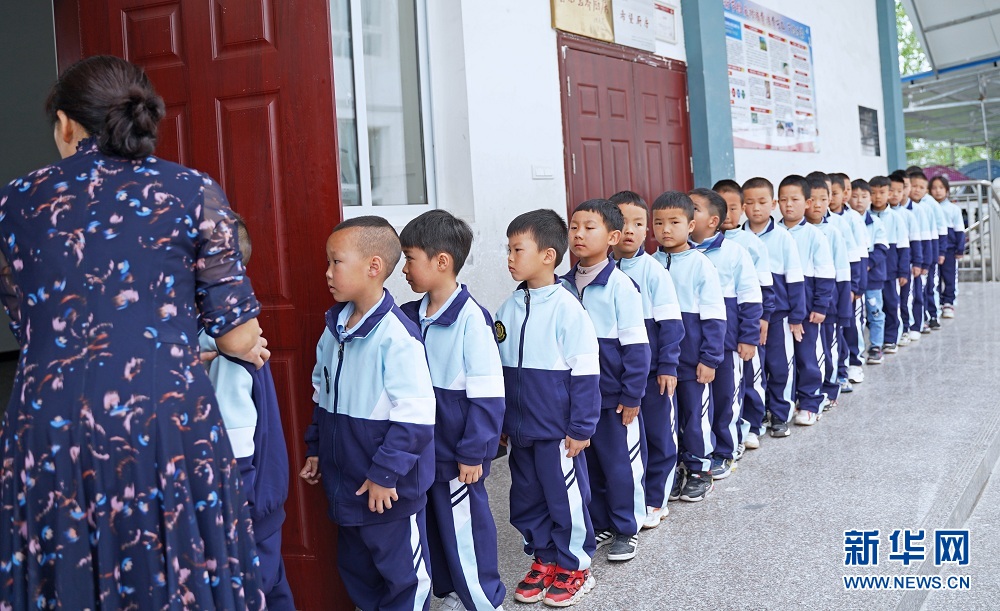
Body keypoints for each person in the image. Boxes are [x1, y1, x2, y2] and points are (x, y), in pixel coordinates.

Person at [0, 55, 267, 608]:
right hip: (163, 413)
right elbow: (237, 337)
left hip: (53, 417)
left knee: (64, 556)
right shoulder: (190, 191)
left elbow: (26, 322)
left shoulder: (16, 201)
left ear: (68, 124)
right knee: (175, 564)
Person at [300, 216, 436, 611]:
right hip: (347, 487)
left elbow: (416, 416)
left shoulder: (397, 336)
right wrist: (315, 448)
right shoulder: (333, 329)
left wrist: (384, 473)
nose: (327, 273)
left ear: (374, 267)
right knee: (357, 572)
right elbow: (321, 396)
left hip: (388, 492)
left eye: (336, 262)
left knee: (402, 578)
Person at [398, 210, 507, 611]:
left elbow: (488, 395)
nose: (404, 269)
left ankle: (483, 599)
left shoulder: (471, 319)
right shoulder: (409, 315)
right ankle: (449, 591)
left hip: (459, 455)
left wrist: (474, 452)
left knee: (466, 529)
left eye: (410, 258)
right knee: (434, 527)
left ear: (441, 262)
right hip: (425, 453)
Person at [494, 209, 600, 606]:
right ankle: (544, 558)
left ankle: (575, 565)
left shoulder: (567, 308)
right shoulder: (508, 309)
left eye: (517, 249)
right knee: (526, 498)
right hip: (521, 432)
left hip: (558, 432)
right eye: (508, 249)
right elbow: (500, 374)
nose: (509, 257)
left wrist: (581, 427)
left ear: (548, 256)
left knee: (565, 498)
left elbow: (586, 375)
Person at [199, 214, 294, 610]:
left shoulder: (230, 349)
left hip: (242, 506)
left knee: (252, 591)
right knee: (272, 589)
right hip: (259, 505)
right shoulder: (233, 338)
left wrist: (231, 510)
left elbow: (237, 442)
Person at [561, 199, 650, 562]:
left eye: (589, 227)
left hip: (614, 396)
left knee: (620, 463)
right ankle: (601, 521)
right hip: (580, 399)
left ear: (613, 236)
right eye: (574, 227)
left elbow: (637, 347)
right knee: (591, 464)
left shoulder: (620, 285)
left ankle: (627, 527)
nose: (579, 234)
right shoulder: (562, 285)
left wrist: (632, 394)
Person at [608, 191, 684, 530]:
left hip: (652, 374)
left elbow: (671, 325)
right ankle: (626, 501)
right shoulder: (600, 272)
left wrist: (668, 365)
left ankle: (656, 497)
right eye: (622, 222)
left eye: (638, 224)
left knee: (658, 436)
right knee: (624, 445)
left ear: (646, 231)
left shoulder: (654, 272)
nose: (630, 230)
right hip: (616, 377)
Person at [651, 192, 726, 502]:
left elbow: (714, 316)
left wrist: (710, 358)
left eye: (674, 222)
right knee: (666, 422)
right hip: (661, 364)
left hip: (693, 362)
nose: (666, 229)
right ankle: (674, 470)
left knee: (694, 418)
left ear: (691, 224)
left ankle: (699, 469)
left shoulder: (700, 264)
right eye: (658, 223)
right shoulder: (649, 264)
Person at [689, 188, 762, 477]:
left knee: (726, 399)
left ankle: (725, 450)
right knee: (697, 404)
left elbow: (750, 297)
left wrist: (748, 336)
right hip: (693, 345)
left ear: (713, 220)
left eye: (693, 208)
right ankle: (697, 450)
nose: (686, 212)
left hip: (727, 343)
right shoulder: (675, 254)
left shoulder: (734, 252)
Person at [742, 177, 807, 438]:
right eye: (749, 203)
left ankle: (780, 415)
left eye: (762, 202)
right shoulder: (737, 238)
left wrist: (796, 315)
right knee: (754, 370)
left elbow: (795, 278)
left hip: (779, 317)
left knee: (780, 367)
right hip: (750, 318)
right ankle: (755, 421)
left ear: (773, 204)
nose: (756, 208)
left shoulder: (783, 237)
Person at [713, 180, 774, 452]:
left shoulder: (749, 243)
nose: (726, 214)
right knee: (727, 386)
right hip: (720, 332)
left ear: (742, 209)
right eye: (720, 207)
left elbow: (763, 287)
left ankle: (753, 423)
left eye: (733, 207)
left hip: (746, 325)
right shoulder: (702, 244)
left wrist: (763, 319)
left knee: (750, 376)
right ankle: (731, 427)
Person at [778, 175, 834, 427]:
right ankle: (783, 403)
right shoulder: (773, 232)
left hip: (809, 307)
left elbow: (825, 272)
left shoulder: (814, 235)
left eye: (795, 199)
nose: (788, 205)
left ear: (807, 202)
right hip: (780, 308)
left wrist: (821, 305)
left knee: (807, 355)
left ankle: (811, 402)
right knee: (782, 359)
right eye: (783, 200)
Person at [804, 178, 852, 411]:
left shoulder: (832, 231)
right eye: (813, 200)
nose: (818, 205)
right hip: (805, 305)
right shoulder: (796, 231)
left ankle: (830, 387)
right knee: (811, 352)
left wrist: (842, 305)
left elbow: (842, 271)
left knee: (828, 347)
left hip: (828, 304)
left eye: (824, 199)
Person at [829, 172, 868, 391]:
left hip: (849, 285)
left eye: (835, 193)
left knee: (852, 325)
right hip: (832, 286)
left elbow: (860, 255)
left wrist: (856, 286)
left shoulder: (851, 219)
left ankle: (854, 361)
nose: (832, 198)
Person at [875, 176, 911, 355]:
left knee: (891, 305)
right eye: (873, 193)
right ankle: (877, 341)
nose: (877, 197)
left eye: (882, 193)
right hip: (873, 274)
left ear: (889, 194)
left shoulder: (896, 217)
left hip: (891, 272)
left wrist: (903, 271)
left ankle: (891, 338)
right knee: (875, 308)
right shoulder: (866, 217)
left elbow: (904, 247)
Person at [909, 169, 947, 331]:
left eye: (921, 187)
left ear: (926, 189)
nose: (917, 189)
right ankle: (921, 318)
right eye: (913, 186)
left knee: (930, 286)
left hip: (929, 254)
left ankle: (933, 314)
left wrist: (939, 253)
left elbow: (939, 232)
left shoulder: (929, 206)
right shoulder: (907, 208)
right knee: (918, 291)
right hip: (914, 256)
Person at [892, 170, 922, 346]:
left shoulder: (908, 215)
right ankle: (897, 330)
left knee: (906, 298)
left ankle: (908, 327)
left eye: (900, 189)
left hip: (906, 264)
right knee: (893, 301)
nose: (896, 194)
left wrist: (917, 262)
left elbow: (915, 242)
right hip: (889, 267)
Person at [903, 170, 935, 339]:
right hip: (902, 262)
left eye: (905, 187)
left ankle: (918, 323)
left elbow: (926, 239)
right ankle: (906, 326)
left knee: (918, 293)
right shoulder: (895, 211)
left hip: (917, 260)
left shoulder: (919, 210)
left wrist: (924, 263)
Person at [929, 175, 966, 317]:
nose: (937, 191)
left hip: (950, 249)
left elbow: (959, 230)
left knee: (949, 276)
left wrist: (960, 248)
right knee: (935, 277)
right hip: (934, 248)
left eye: (941, 188)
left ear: (947, 190)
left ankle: (949, 303)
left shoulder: (953, 209)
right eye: (934, 188)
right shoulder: (928, 208)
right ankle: (937, 301)